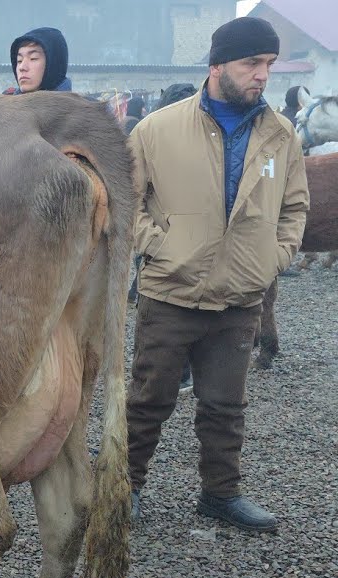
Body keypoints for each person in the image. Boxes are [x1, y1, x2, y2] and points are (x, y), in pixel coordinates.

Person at [127, 16, 308, 533]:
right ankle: (128, 487)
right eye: (252, 63)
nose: (262, 75)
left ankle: (220, 494)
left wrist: (273, 258)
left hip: (241, 296)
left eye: (268, 65)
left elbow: (294, 209)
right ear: (216, 66)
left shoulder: (281, 134)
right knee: (148, 399)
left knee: (226, 406)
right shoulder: (157, 130)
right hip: (171, 293)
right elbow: (126, 202)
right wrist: (160, 247)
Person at [8, 27, 72, 94]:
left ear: (54, 65)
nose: (22, 67)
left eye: (33, 58)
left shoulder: (75, 104)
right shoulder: (6, 100)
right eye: (19, 60)